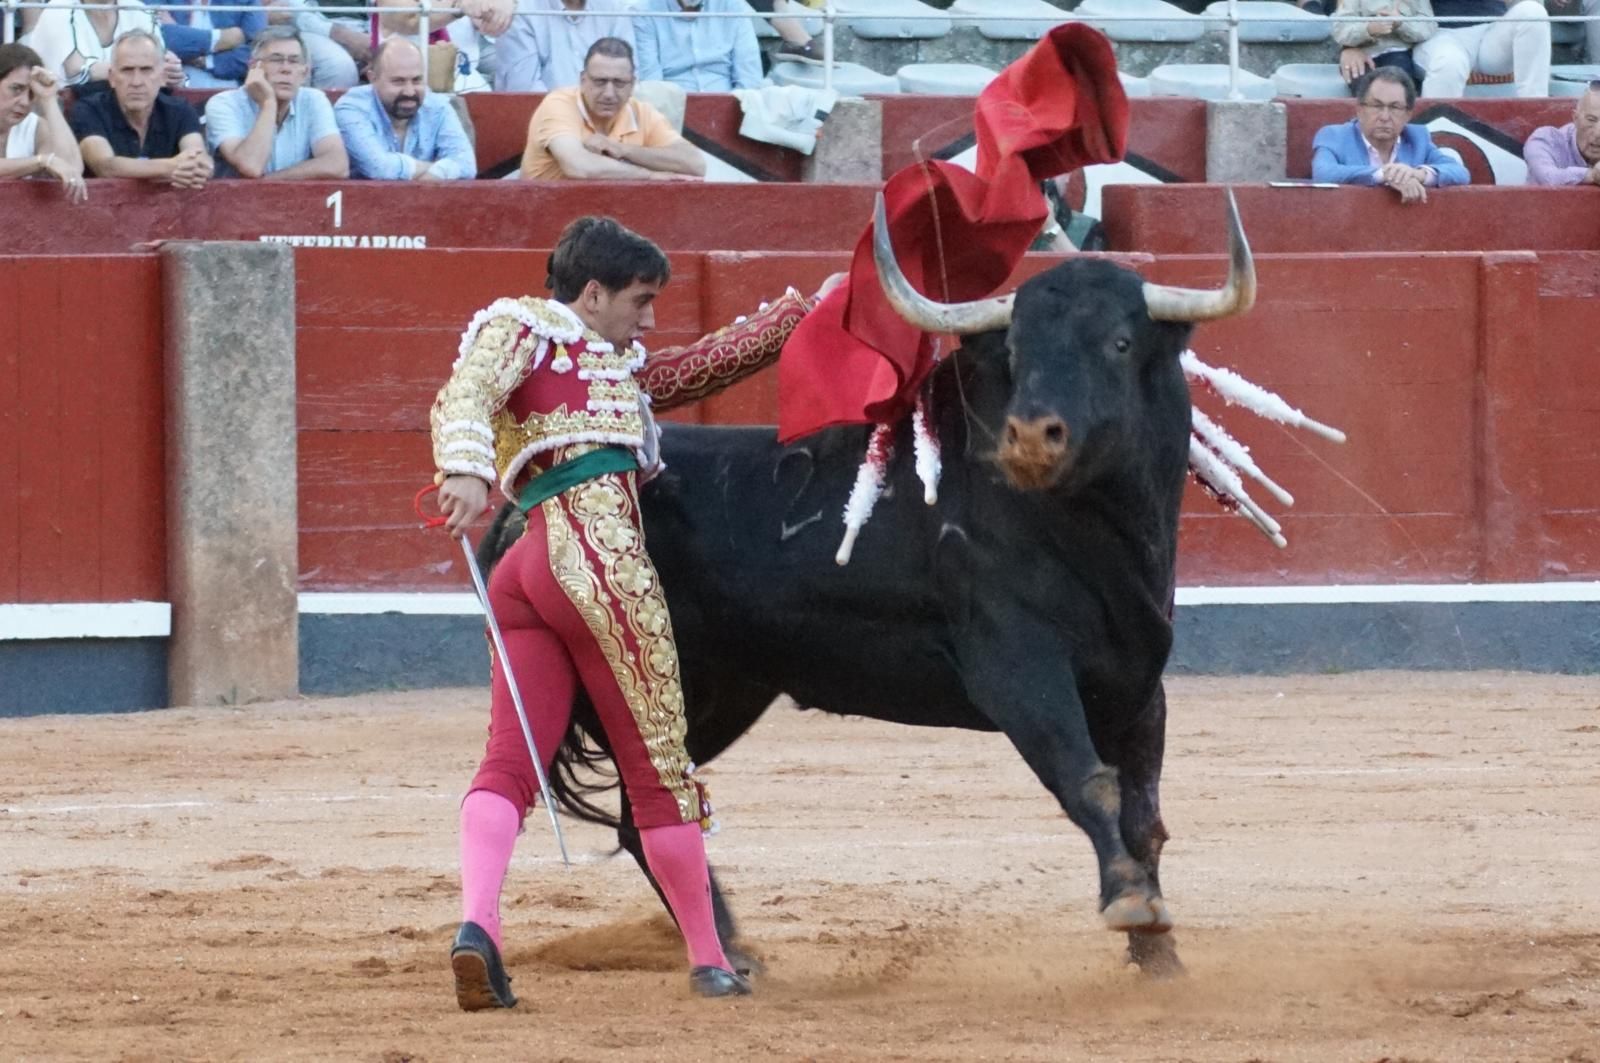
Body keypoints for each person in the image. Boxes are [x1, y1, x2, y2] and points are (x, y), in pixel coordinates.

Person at [429, 215, 838, 1008]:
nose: (648, 320)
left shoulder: (608, 365)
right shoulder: (527, 325)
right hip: (594, 552)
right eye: (640, 301)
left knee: (508, 765)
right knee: (657, 769)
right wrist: (467, 470)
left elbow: (695, 369)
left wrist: (800, 315)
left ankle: (477, 929)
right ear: (591, 292)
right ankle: (711, 959)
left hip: (527, 569)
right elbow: (467, 391)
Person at [519, 37, 704, 181]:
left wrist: (622, 149)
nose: (609, 93)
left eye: (619, 83)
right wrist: (648, 176)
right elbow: (578, 165)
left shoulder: (642, 112)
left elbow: (695, 163)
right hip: (546, 214)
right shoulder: (559, 104)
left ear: (632, 85)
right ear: (583, 81)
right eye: (600, 82)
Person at [71, 30, 212, 188]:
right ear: (111, 77)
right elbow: (105, 166)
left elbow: (199, 159)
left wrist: (198, 167)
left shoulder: (180, 110)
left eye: (146, 70)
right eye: (127, 70)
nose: (136, 81)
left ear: (161, 76)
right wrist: (171, 167)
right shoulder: (89, 109)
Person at [205, 28, 347, 179]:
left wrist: (271, 181)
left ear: (304, 73)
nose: (286, 69)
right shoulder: (224, 104)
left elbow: (337, 165)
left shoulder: (313, 100)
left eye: (293, 61)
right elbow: (251, 166)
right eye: (276, 59)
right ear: (254, 67)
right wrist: (268, 104)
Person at [1311, 67, 1470, 201]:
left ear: (1407, 114)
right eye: (1376, 106)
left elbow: (1460, 172)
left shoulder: (1417, 138)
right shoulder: (1334, 136)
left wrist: (1417, 174)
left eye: (1395, 107)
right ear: (1360, 109)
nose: (1385, 117)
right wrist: (1385, 174)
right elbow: (1323, 173)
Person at [336, 37, 476, 180]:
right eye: (398, 81)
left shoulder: (437, 107)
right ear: (373, 78)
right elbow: (380, 169)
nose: (409, 92)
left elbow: (467, 165)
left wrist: (436, 173)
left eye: (417, 80)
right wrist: (440, 169)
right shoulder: (352, 108)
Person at [26, 0, 184, 94]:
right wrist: (149, 69)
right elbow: (77, 71)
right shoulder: (58, 9)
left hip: (130, 104)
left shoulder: (137, 9)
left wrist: (172, 72)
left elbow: (158, 61)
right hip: (71, 108)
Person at [0, 43, 87, 201]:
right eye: (16, 88)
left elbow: (73, 167)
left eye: (32, 93)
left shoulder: (34, 127)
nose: (25, 102)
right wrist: (42, 161)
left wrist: (48, 99)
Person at [1411, 0, 1550, 98]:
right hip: (1439, 34)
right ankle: (1436, 136)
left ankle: (1536, 115)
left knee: (1533, 12)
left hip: (1492, 33)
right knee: (1449, 63)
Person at [494, 0, 635, 92]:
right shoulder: (523, 11)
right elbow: (525, 90)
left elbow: (627, 77)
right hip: (545, 121)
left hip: (608, 120)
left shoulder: (615, 8)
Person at [632, 0, 762, 92]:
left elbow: (750, 79)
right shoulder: (644, 12)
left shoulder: (732, 5)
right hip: (672, 110)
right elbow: (652, 85)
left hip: (729, 106)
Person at [158, 0, 266, 89]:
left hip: (231, 94)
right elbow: (160, 39)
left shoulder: (246, 2)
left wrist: (204, 61)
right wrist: (222, 38)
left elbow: (257, 52)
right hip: (175, 93)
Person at [1332, 0, 1436, 87]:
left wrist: (1402, 24)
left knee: (1397, 85)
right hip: (1361, 53)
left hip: (1399, 52)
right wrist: (1368, 29)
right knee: (1366, 90)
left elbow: (1428, 25)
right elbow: (1340, 29)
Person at [1524, 81, 1600, 184]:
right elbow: (1547, 178)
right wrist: (1591, 175)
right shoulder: (1545, 140)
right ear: (1575, 118)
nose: (1598, 133)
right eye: (1591, 120)